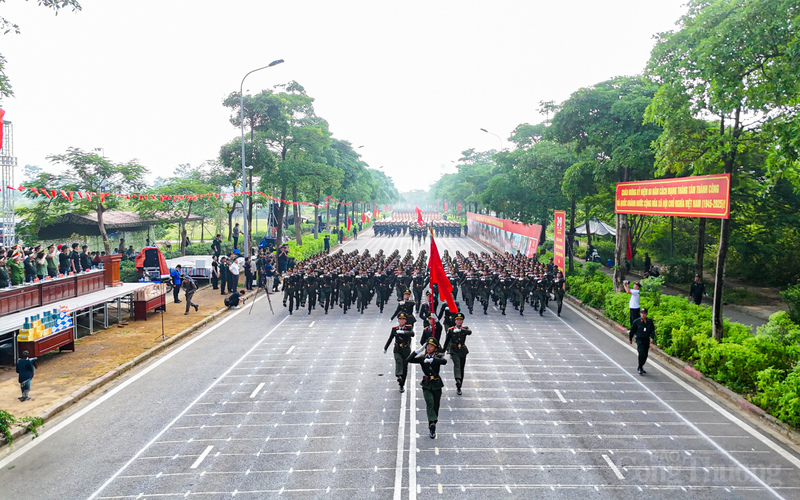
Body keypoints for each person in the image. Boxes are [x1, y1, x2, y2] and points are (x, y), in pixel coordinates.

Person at [407, 337, 447, 439]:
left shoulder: (437, 357)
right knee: (430, 402)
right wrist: (418, 351)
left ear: (435, 348)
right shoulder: (422, 357)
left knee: (436, 406)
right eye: (428, 346)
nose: (429, 348)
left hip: (437, 384)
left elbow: (444, 361)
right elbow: (409, 359)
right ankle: (431, 425)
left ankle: (432, 424)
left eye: (431, 346)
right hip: (427, 384)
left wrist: (433, 359)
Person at [384, 312, 415, 393]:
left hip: (406, 349)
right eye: (400, 319)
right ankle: (398, 375)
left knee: (405, 368)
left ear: (405, 320)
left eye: (403, 319)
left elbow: (412, 334)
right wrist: (385, 348)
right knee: (398, 360)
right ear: (398, 320)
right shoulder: (395, 328)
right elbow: (390, 338)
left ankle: (402, 384)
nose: (401, 321)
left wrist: (403, 332)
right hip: (397, 349)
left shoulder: (408, 327)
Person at [443, 312, 471, 395]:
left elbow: (469, 332)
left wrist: (461, 330)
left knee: (461, 368)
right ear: (455, 321)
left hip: (462, 350)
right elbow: (447, 341)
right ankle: (457, 380)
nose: (459, 321)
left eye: (460, 320)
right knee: (457, 364)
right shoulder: (451, 330)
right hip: (454, 351)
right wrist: (442, 350)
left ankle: (459, 386)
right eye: (457, 320)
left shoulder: (464, 329)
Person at [629, 307, 656, 375]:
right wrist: (630, 338)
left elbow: (652, 330)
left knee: (645, 355)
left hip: (646, 339)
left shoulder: (649, 322)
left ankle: (641, 365)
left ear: (646, 314)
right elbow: (632, 330)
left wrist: (652, 337)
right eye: (641, 313)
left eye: (644, 313)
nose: (643, 315)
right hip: (639, 339)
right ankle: (640, 367)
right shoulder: (637, 322)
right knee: (641, 353)